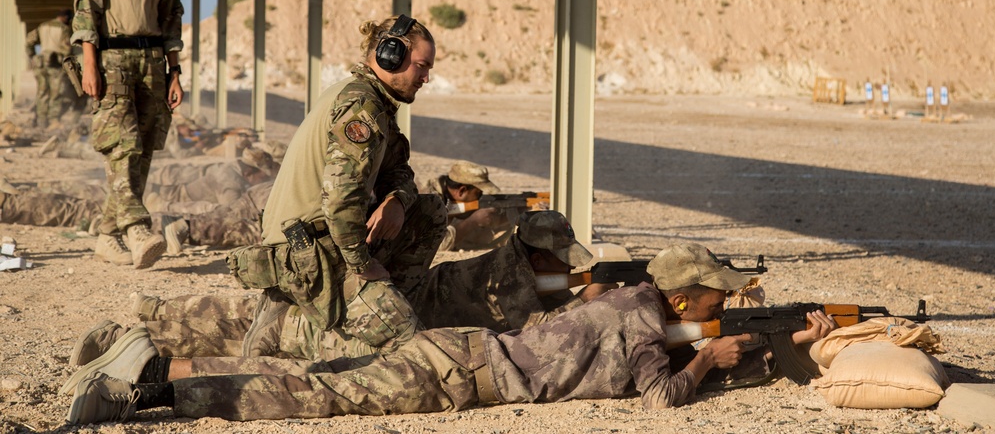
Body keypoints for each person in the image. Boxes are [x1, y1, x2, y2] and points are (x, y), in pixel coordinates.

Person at [63, 241, 838, 423]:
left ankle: (158, 365)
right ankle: (150, 391)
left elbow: (654, 335)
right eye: (714, 299)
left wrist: (774, 345)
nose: (718, 309)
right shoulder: (649, 322)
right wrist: (710, 358)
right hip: (462, 373)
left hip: (461, 351)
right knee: (314, 392)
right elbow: (663, 395)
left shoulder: (636, 299)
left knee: (324, 369)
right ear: (690, 291)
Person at [65, 210, 618, 369]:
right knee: (279, 336)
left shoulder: (515, 266)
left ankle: (146, 322)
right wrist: (587, 298)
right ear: (536, 252)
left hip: (407, 300)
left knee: (260, 321)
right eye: (559, 258)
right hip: (397, 313)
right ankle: (136, 334)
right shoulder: (510, 277)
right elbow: (537, 322)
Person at [231, 15, 447, 361]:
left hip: (322, 242)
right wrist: (362, 265)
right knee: (413, 351)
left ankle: (383, 306)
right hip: (308, 255)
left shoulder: (369, 99)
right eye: (421, 66)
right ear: (390, 55)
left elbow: (400, 173)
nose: (425, 78)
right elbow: (340, 200)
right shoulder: (363, 107)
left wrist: (395, 200)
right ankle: (291, 328)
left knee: (431, 211)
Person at [72, 0, 184, 270]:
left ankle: (107, 234)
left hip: (153, 61)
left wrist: (175, 72)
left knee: (145, 150)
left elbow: (171, 20)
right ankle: (137, 227)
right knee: (124, 145)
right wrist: (89, 63)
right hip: (113, 58)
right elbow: (87, 11)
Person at [421, 160, 525, 252]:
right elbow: (436, 244)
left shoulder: (448, 197)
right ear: (461, 191)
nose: (480, 197)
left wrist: (520, 212)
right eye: (478, 193)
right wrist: (473, 221)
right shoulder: (427, 202)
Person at [143, 147, 278, 213]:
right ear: (249, 172)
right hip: (174, 198)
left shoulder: (237, 168)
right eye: (264, 175)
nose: (266, 178)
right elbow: (232, 212)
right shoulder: (230, 182)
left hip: (174, 189)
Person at [25, 8, 73, 129]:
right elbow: (67, 49)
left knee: (42, 92)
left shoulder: (42, 26)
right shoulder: (64, 29)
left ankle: (41, 121)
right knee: (56, 93)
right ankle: (53, 120)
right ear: (66, 18)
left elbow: (29, 41)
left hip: (40, 64)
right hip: (55, 65)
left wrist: (32, 56)